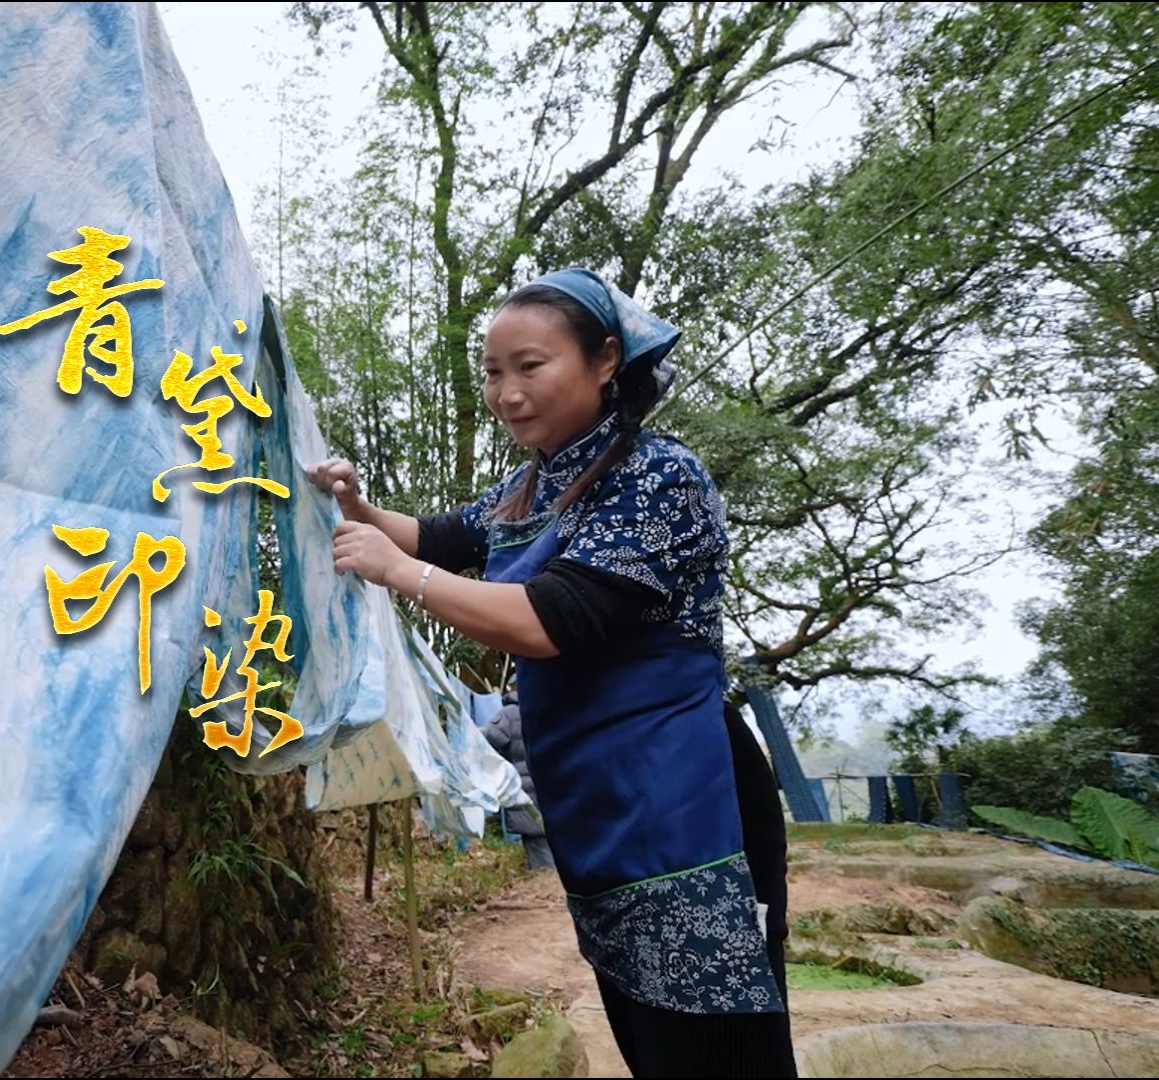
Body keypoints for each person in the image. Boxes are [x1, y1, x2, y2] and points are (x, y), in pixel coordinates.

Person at [309, 267, 796, 1078]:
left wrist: (396, 572)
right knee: (646, 1034)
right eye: (494, 373)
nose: (507, 393)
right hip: (597, 803)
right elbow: (438, 536)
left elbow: (548, 620)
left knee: (716, 1041)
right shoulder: (535, 481)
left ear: (606, 360)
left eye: (530, 367)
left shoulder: (658, 477)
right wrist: (359, 509)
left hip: (685, 803)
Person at [479, 686, 557, 871]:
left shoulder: (509, 715)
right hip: (555, 789)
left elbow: (486, 741)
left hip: (526, 793)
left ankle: (546, 892)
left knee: (540, 855)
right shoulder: (551, 707)